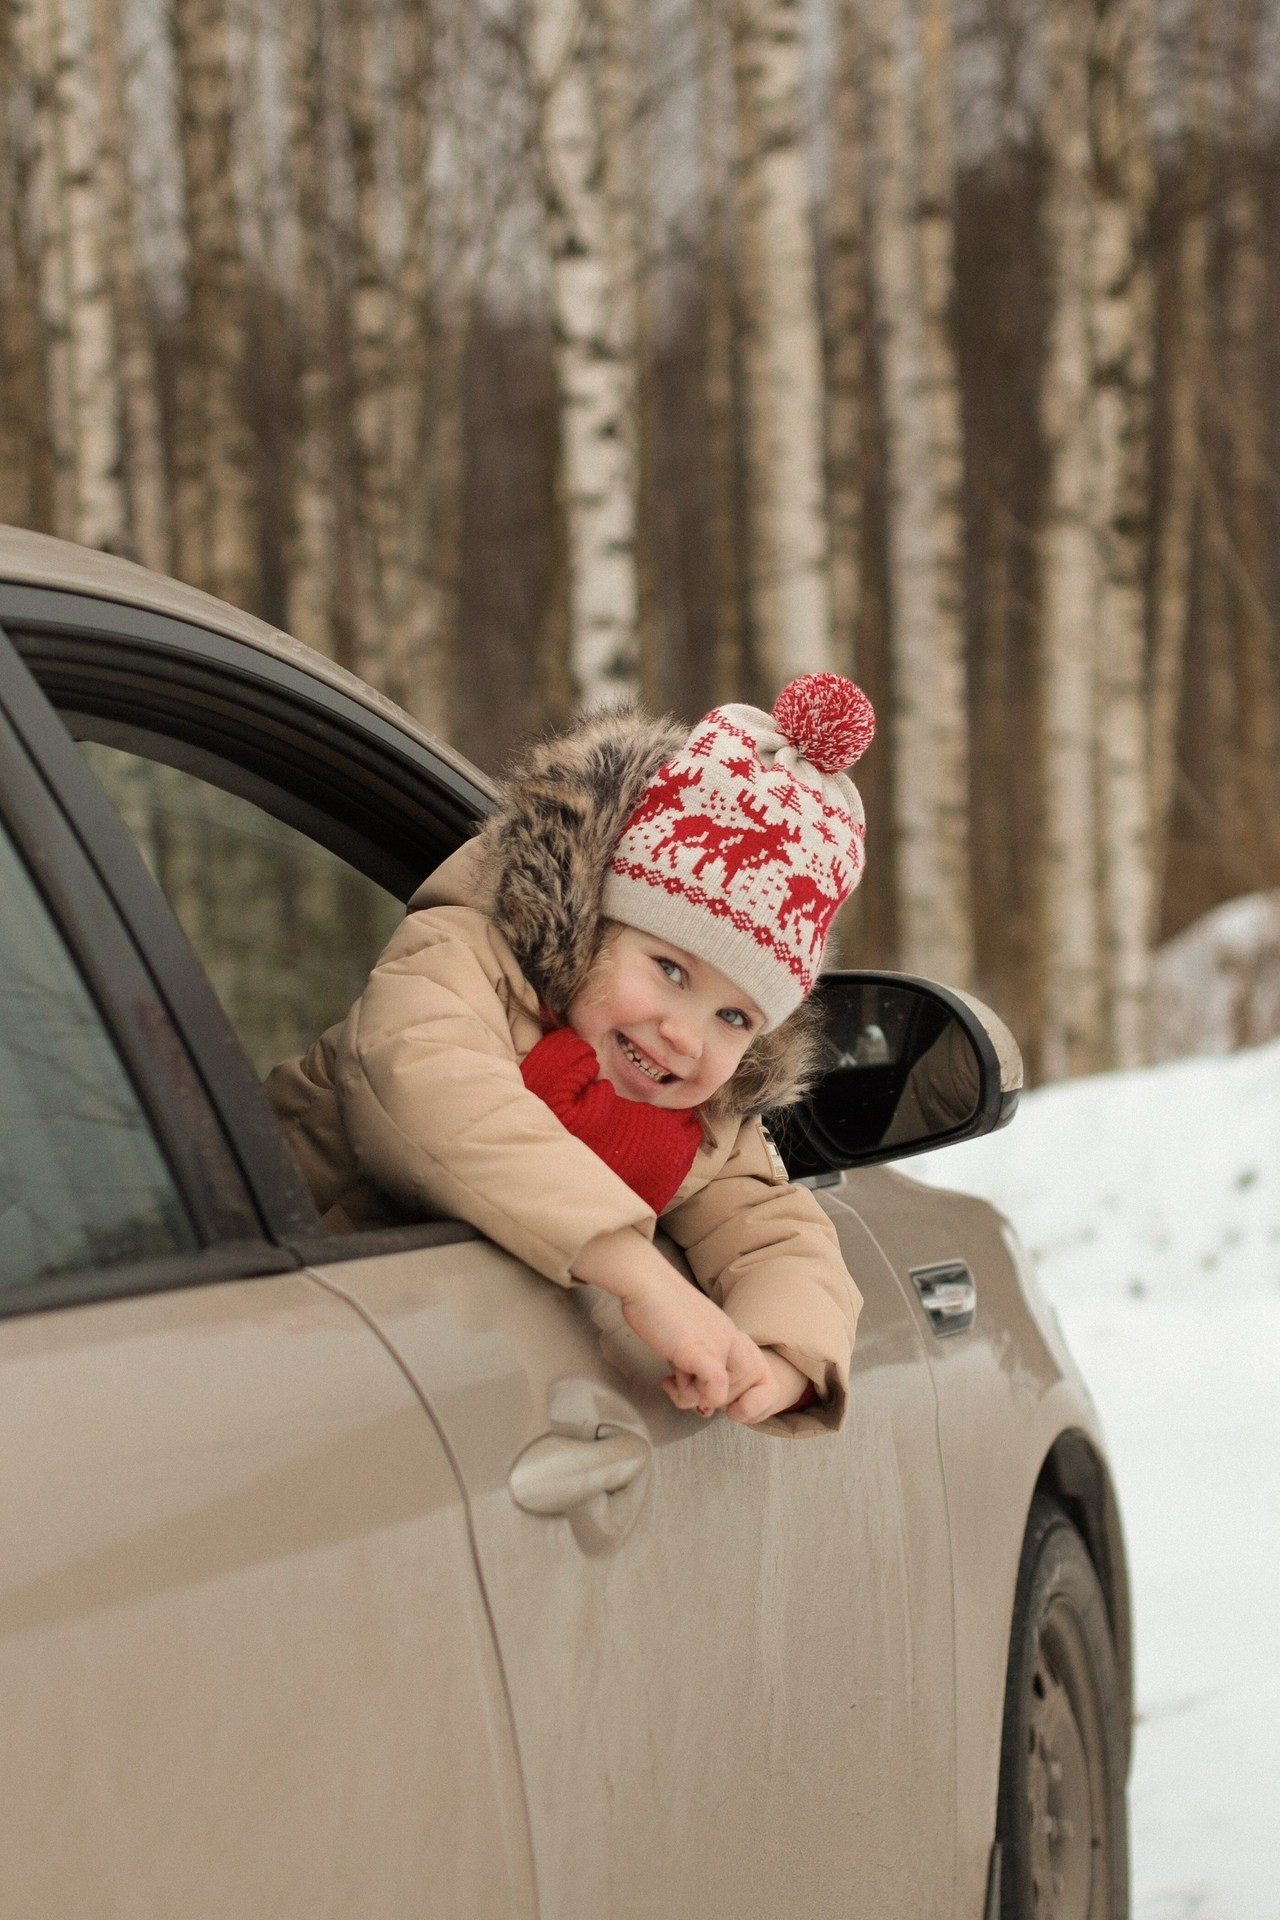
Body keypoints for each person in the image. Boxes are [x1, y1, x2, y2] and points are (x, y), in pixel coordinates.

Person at [266, 673, 875, 1435]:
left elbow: (772, 1228)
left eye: (733, 1017)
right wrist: (639, 1274)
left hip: (421, 1396)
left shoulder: (702, 1124)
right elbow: (440, 1097)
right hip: (272, 1323)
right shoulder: (459, 966)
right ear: (595, 926)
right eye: (670, 970)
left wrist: (780, 1357)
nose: (685, 1036)